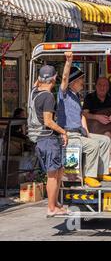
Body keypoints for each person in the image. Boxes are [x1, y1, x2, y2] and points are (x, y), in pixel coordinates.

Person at [57, 52, 111, 188]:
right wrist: (68, 61)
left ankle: (103, 172)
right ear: (73, 82)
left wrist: (87, 133)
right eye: (81, 79)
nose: (83, 82)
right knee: (92, 145)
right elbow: (65, 77)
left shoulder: (76, 96)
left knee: (105, 140)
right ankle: (89, 176)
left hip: (79, 133)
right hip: (68, 134)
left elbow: (81, 116)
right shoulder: (64, 94)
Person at [28, 65, 69, 217]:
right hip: (48, 139)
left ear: (39, 79)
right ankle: (51, 207)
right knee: (52, 174)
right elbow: (48, 121)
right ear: (53, 79)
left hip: (40, 140)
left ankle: (56, 203)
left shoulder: (33, 92)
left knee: (58, 171)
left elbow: (35, 83)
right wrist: (64, 132)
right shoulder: (48, 97)